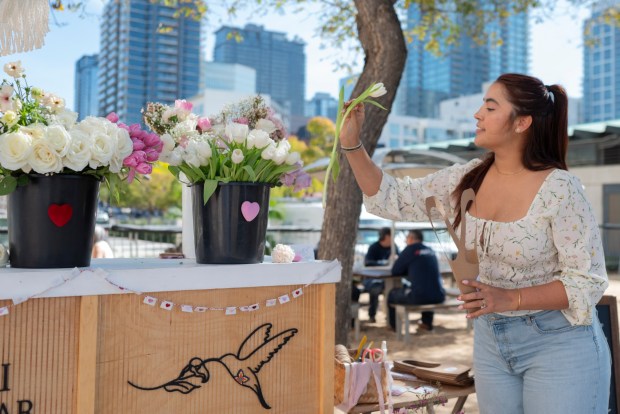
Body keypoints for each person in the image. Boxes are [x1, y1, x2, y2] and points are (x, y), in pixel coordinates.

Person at [339, 73, 610, 413]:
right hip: (490, 341)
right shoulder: (465, 178)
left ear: (522, 122)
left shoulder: (561, 189)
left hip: (560, 343)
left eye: (490, 106)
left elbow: (587, 282)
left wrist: (511, 298)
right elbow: (391, 198)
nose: (477, 114)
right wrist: (352, 144)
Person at [388, 229, 445, 332]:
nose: (405, 241)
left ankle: (394, 327)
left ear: (411, 238)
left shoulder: (410, 250)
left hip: (419, 297)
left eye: (406, 238)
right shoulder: (430, 250)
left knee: (392, 294)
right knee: (427, 287)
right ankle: (426, 323)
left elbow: (395, 271)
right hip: (439, 295)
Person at [354, 227, 396, 323]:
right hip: (372, 278)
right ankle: (372, 315)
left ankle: (392, 319)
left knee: (396, 289)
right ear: (387, 236)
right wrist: (384, 263)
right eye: (392, 235)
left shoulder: (394, 247)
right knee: (375, 289)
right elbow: (368, 262)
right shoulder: (374, 247)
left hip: (390, 278)